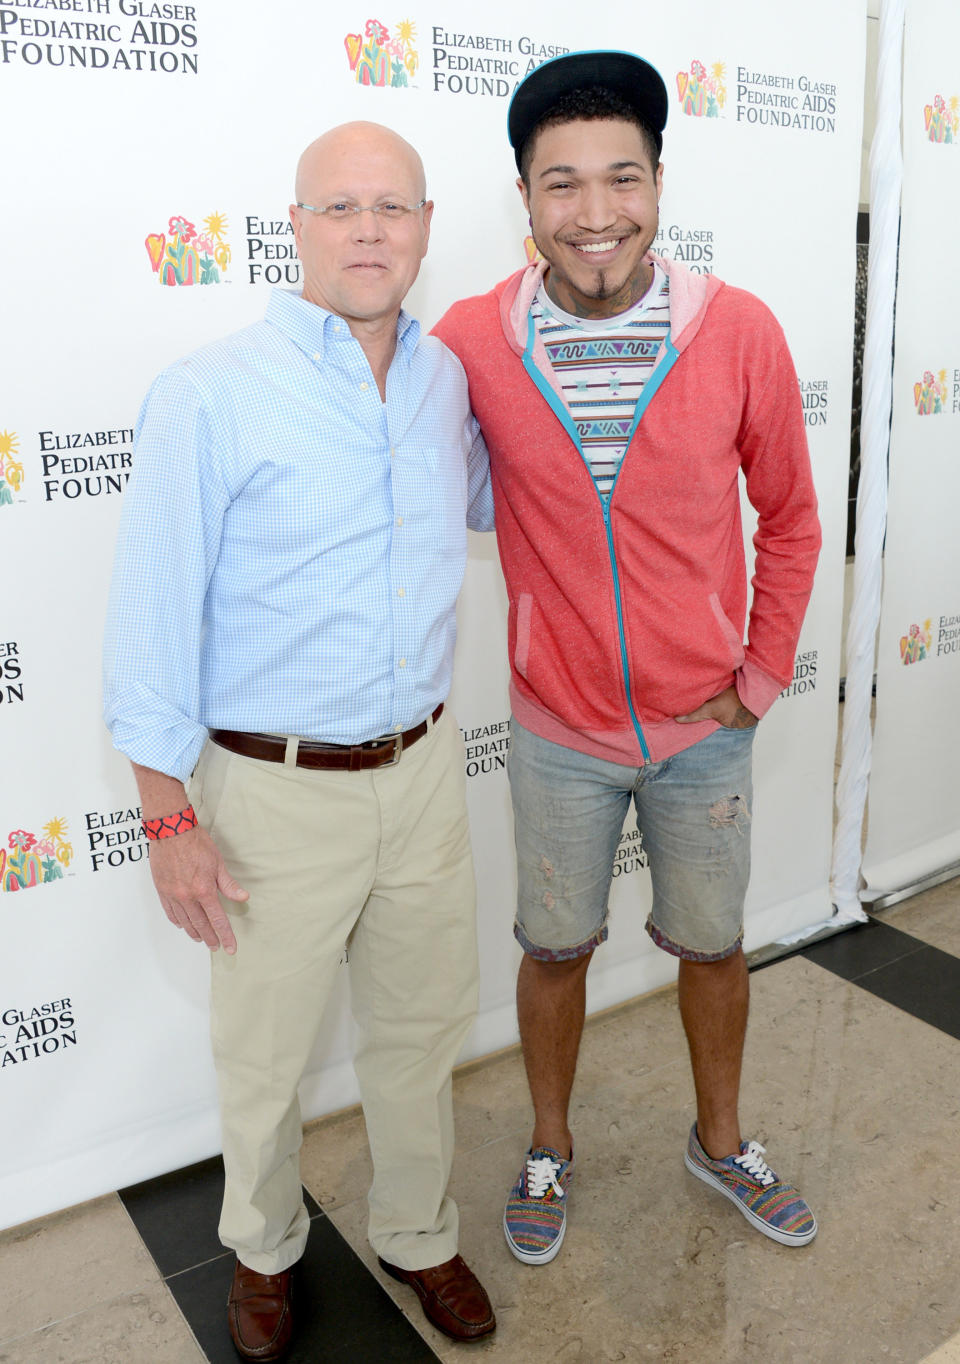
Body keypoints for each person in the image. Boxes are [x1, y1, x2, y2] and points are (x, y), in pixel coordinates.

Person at [104, 121, 496, 1358]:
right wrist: (168, 815)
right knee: (266, 1054)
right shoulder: (211, 392)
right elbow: (153, 617)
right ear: (295, 228)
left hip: (426, 769)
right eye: (340, 207)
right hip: (271, 789)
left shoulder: (447, 384)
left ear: (429, 224)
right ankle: (265, 1249)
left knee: (423, 1026)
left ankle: (419, 1228)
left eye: (392, 205)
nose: (369, 229)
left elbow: (512, 506)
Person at [433, 51, 822, 1267]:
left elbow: (795, 519)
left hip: (705, 728)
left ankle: (722, 1136)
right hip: (558, 727)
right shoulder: (471, 341)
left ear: (659, 183)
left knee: (714, 944)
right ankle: (549, 1143)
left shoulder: (739, 329)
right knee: (554, 947)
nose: (594, 213)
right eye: (562, 184)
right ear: (524, 196)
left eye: (621, 177)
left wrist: (756, 679)